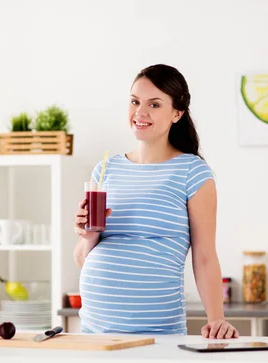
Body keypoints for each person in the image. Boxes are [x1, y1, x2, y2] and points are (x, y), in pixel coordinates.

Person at [73, 64, 238, 339]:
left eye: (154, 104)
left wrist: (217, 319)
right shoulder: (105, 169)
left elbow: (205, 256)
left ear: (177, 113)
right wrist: (88, 236)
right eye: (135, 101)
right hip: (95, 332)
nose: (140, 112)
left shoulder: (192, 171)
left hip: (157, 333)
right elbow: (82, 259)